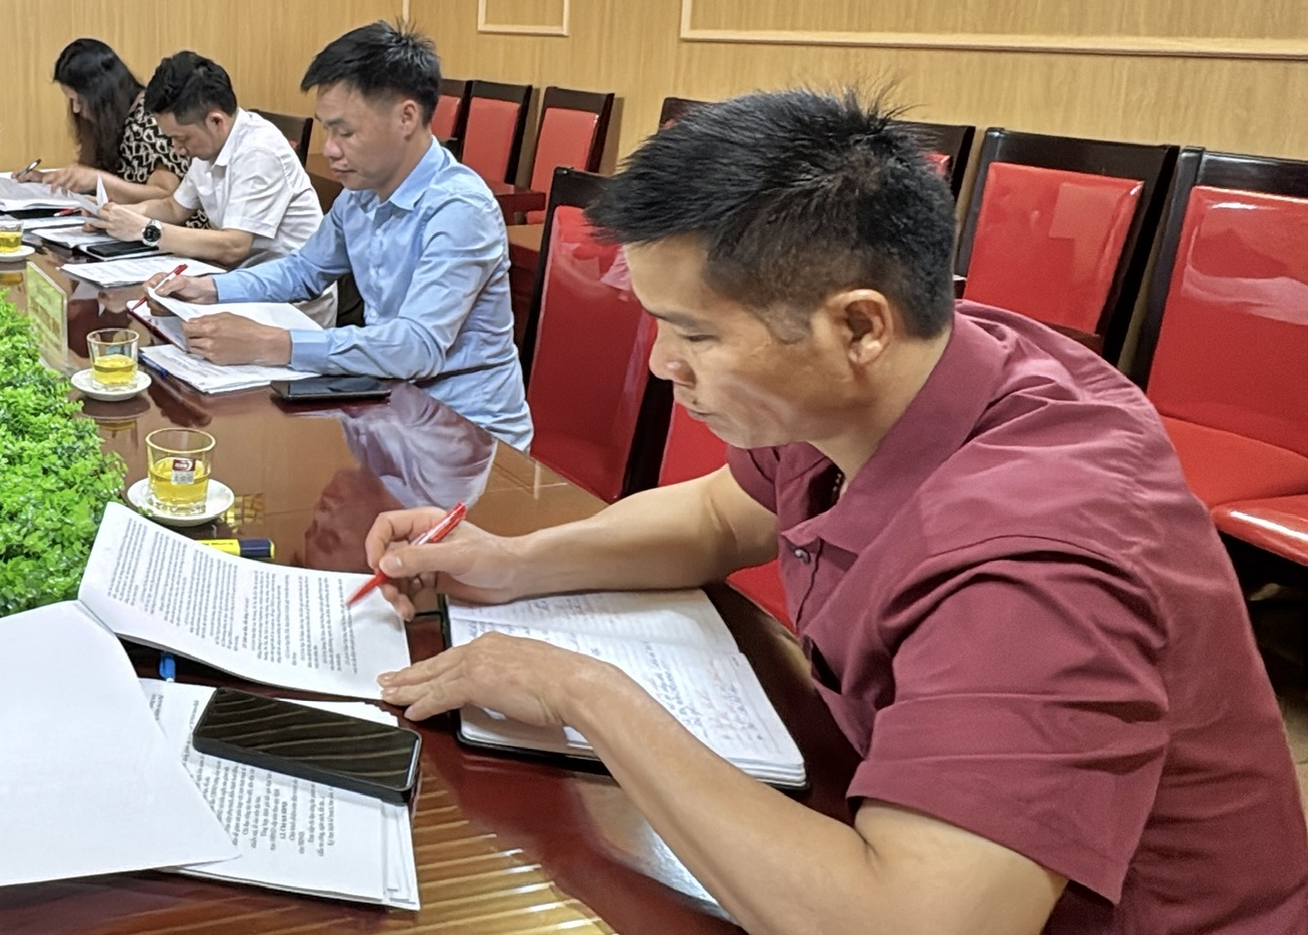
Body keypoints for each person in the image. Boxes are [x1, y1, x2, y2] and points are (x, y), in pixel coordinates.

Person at [364, 92, 1308, 935]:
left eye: (695, 334)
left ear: (859, 325)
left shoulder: (1037, 555)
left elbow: (910, 922)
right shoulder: (907, 372)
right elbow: (722, 516)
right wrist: (512, 561)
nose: (660, 365)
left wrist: (585, 694)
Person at [148, 23, 530, 449]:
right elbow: (303, 270)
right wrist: (208, 289)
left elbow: (415, 347)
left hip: (467, 434)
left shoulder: (460, 209)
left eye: (345, 132)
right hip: (388, 407)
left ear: (406, 117)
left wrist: (269, 343)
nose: (329, 148)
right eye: (327, 130)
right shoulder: (361, 193)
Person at [89, 51, 332, 323]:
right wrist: (118, 215)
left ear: (216, 121)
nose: (176, 149)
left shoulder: (259, 151)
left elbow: (233, 246)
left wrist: (145, 229)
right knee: (151, 308)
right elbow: (174, 208)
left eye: (181, 138)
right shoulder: (209, 147)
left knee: (155, 320)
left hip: (291, 303)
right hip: (240, 282)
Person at [23, 38, 186, 206]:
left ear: (102, 95)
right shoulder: (115, 121)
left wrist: (98, 180)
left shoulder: (152, 123)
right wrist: (51, 180)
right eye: (71, 100)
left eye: (80, 101)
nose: (76, 109)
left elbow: (165, 196)